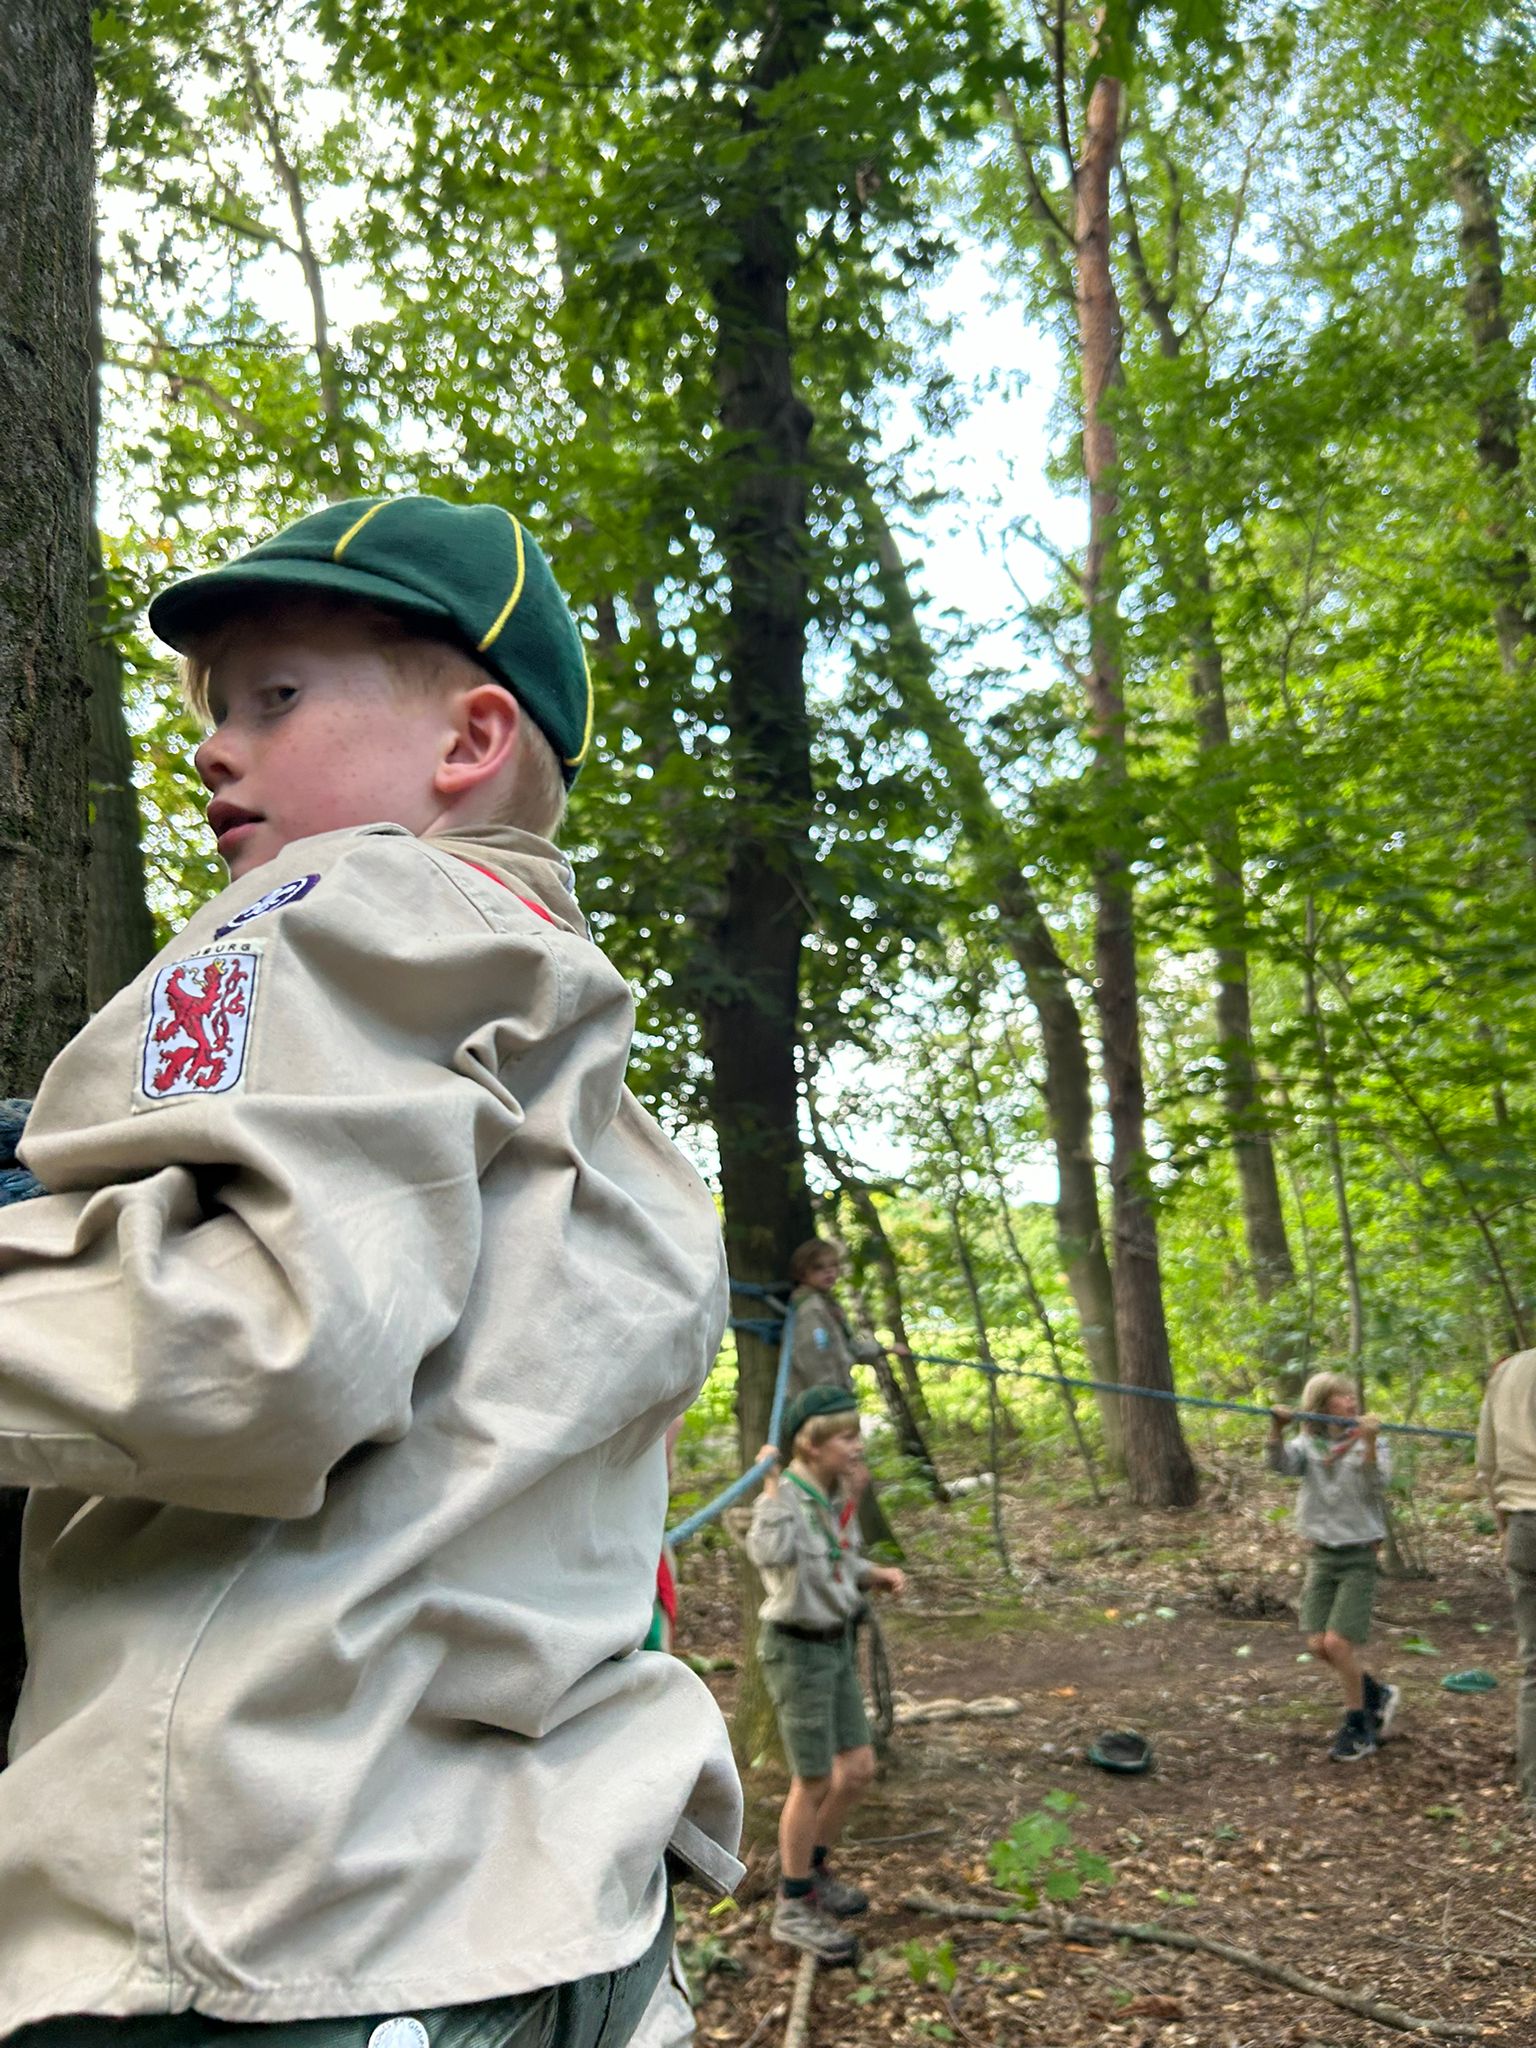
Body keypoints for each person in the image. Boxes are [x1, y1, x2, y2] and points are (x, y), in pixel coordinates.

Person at [0, 494, 744, 2044]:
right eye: (214, 709)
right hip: (564, 1929)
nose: (216, 747)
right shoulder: (602, 1099)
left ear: (469, 745)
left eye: (276, 698)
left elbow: (258, 1344)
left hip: (281, 1917)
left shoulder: (345, 897)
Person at [746, 1385, 906, 1964]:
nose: (856, 1446)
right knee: (812, 1780)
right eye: (846, 1436)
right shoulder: (787, 1498)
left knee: (857, 1770)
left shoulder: (830, 1494)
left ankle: (812, 1872)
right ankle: (792, 1906)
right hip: (798, 1654)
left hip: (836, 1645)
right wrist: (768, 1488)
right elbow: (765, 1555)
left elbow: (839, 1558)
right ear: (811, 1445)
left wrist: (874, 1573)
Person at [1267, 1371, 1400, 1763]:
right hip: (1322, 1554)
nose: (1352, 1403)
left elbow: (1378, 1486)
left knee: (1338, 1643)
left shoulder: (1370, 1442)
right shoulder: (1308, 1444)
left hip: (1359, 1554)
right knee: (1317, 1643)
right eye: (1342, 1397)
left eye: (1352, 1396)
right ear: (1323, 1405)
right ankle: (1377, 1694)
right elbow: (1280, 1466)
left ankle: (1358, 1726)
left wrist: (1371, 1442)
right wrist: (1276, 1428)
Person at [1476, 1347, 1536, 1814]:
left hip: (1523, 1524)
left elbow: (1487, 1461)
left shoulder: (1509, 1371)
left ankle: (1534, 1785)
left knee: (1535, 1668)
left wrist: (1504, 1527)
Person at [785, 1239, 888, 1401]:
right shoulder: (811, 1309)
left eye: (833, 1266)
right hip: (820, 1400)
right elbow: (813, 1354)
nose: (829, 1272)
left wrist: (884, 1349)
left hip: (833, 1394)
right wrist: (831, 1395)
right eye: (818, 1267)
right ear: (802, 1272)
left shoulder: (827, 1305)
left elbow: (847, 1347)